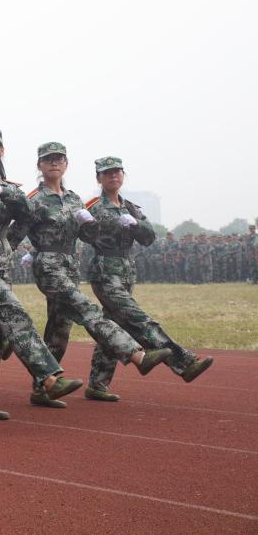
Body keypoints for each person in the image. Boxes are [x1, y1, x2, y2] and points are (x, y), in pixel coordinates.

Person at [11, 144, 171, 408]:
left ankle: (43, 387)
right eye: (48, 160)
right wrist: (22, 256)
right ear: (39, 166)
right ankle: (136, 355)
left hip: (69, 266)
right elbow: (15, 235)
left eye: (59, 159)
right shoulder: (34, 200)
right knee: (87, 309)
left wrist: (89, 224)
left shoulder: (74, 200)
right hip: (49, 266)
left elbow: (88, 237)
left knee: (60, 328)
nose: (54, 163)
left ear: (66, 164)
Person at [0, 127, 82, 420]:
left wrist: (7, 242)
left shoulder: (12, 188)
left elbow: (27, 215)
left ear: (2, 150)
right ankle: (49, 376)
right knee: (13, 311)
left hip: (1, 263)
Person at [78, 157, 214, 399]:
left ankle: (97, 384)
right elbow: (80, 235)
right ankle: (183, 362)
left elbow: (149, 238)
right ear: (99, 178)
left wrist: (135, 225)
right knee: (138, 319)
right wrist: (86, 225)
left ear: (123, 175)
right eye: (107, 173)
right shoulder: (92, 207)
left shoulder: (131, 208)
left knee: (114, 325)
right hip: (105, 272)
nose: (113, 176)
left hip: (127, 272)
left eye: (117, 172)